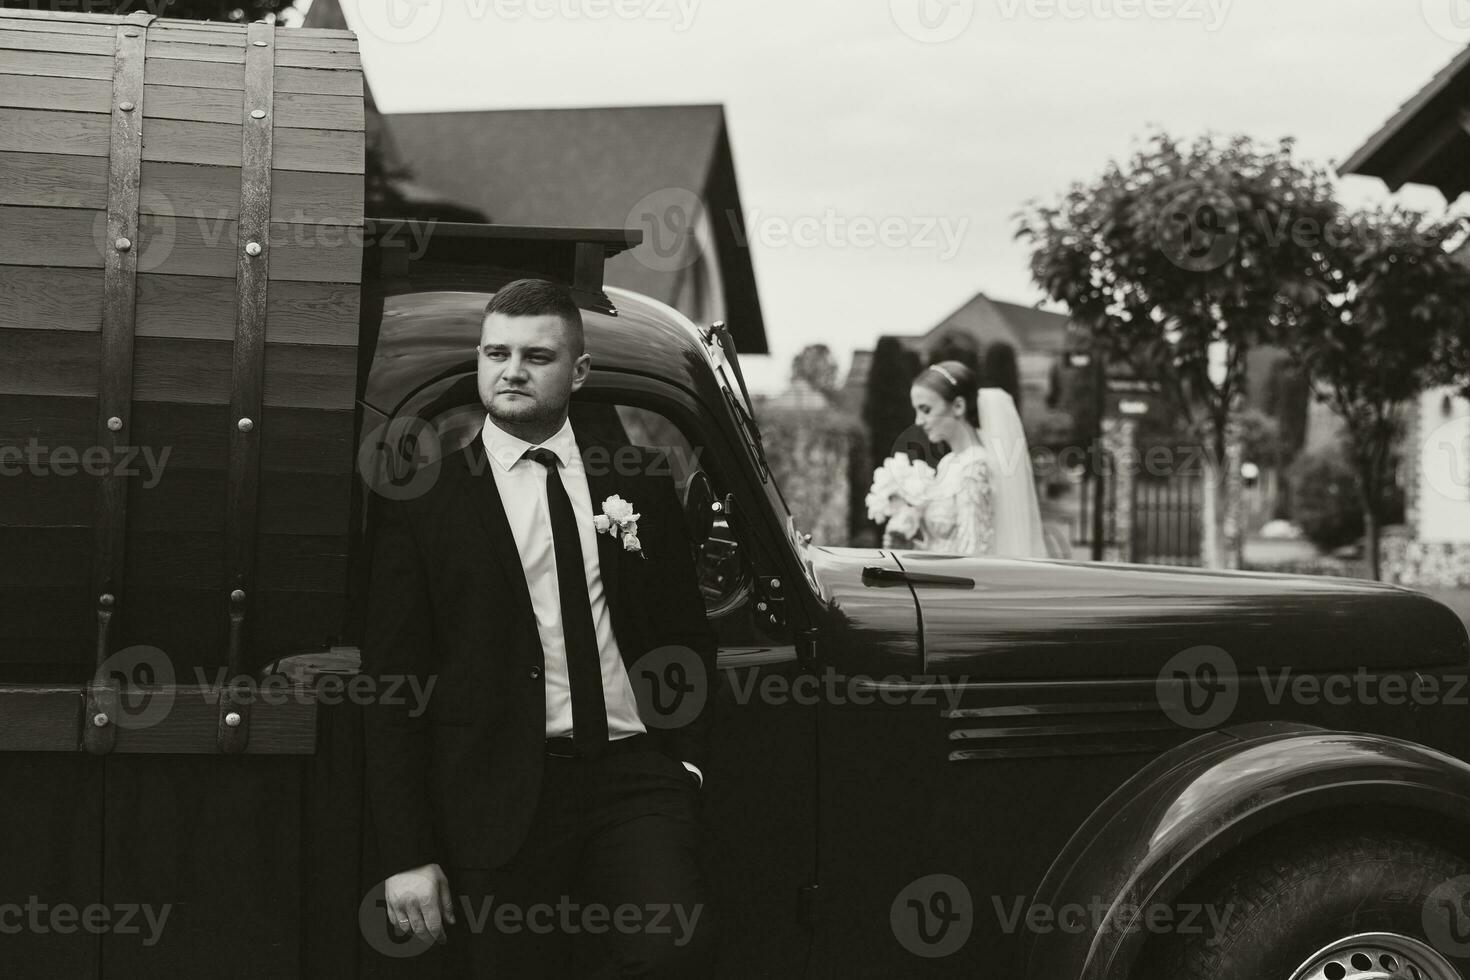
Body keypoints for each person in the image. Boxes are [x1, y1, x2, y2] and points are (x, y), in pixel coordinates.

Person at [362, 278, 718, 978]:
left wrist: (685, 762)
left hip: (634, 779)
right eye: (496, 353)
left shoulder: (639, 483)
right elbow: (390, 685)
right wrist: (406, 855)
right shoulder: (427, 501)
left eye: (537, 355)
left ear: (578, 371)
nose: (512, 370)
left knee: (670, 952)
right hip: (497, 793)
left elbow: (684, 634)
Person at [905, 360, 1047, 558]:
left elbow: (971, 556)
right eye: (916, 411)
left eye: (926, 410)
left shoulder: (974, 469)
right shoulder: (950, 462)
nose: (918, 421)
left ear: (958, 406)